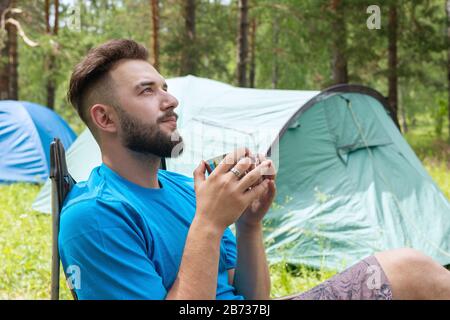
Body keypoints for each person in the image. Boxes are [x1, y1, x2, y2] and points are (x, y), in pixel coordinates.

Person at [60, 39, 450, 300]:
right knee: (409, 270)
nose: (171, 100)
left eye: (165, 87)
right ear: (105, 118)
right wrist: (209, 224)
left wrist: (249, 225)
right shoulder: (94, 216)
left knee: (410, 267)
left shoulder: (182, 188)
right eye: (147, 91)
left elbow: (251, 301)